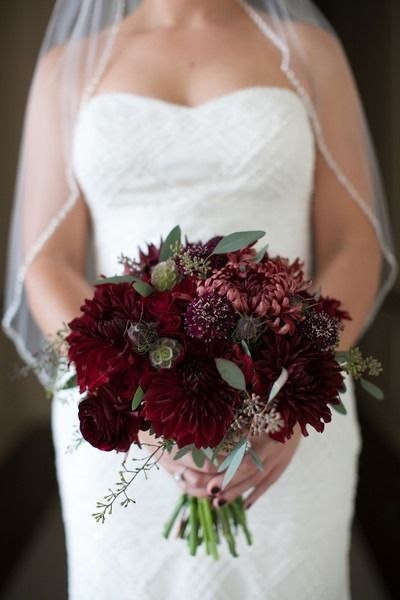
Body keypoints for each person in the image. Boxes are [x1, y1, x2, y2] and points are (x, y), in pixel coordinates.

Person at [2, 1, 397, 598]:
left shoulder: (309, 52)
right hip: (124, 413)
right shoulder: (69, 67)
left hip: (287, 407)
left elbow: (354, 240)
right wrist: (139, 399)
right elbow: (47, 262)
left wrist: (289, 393)